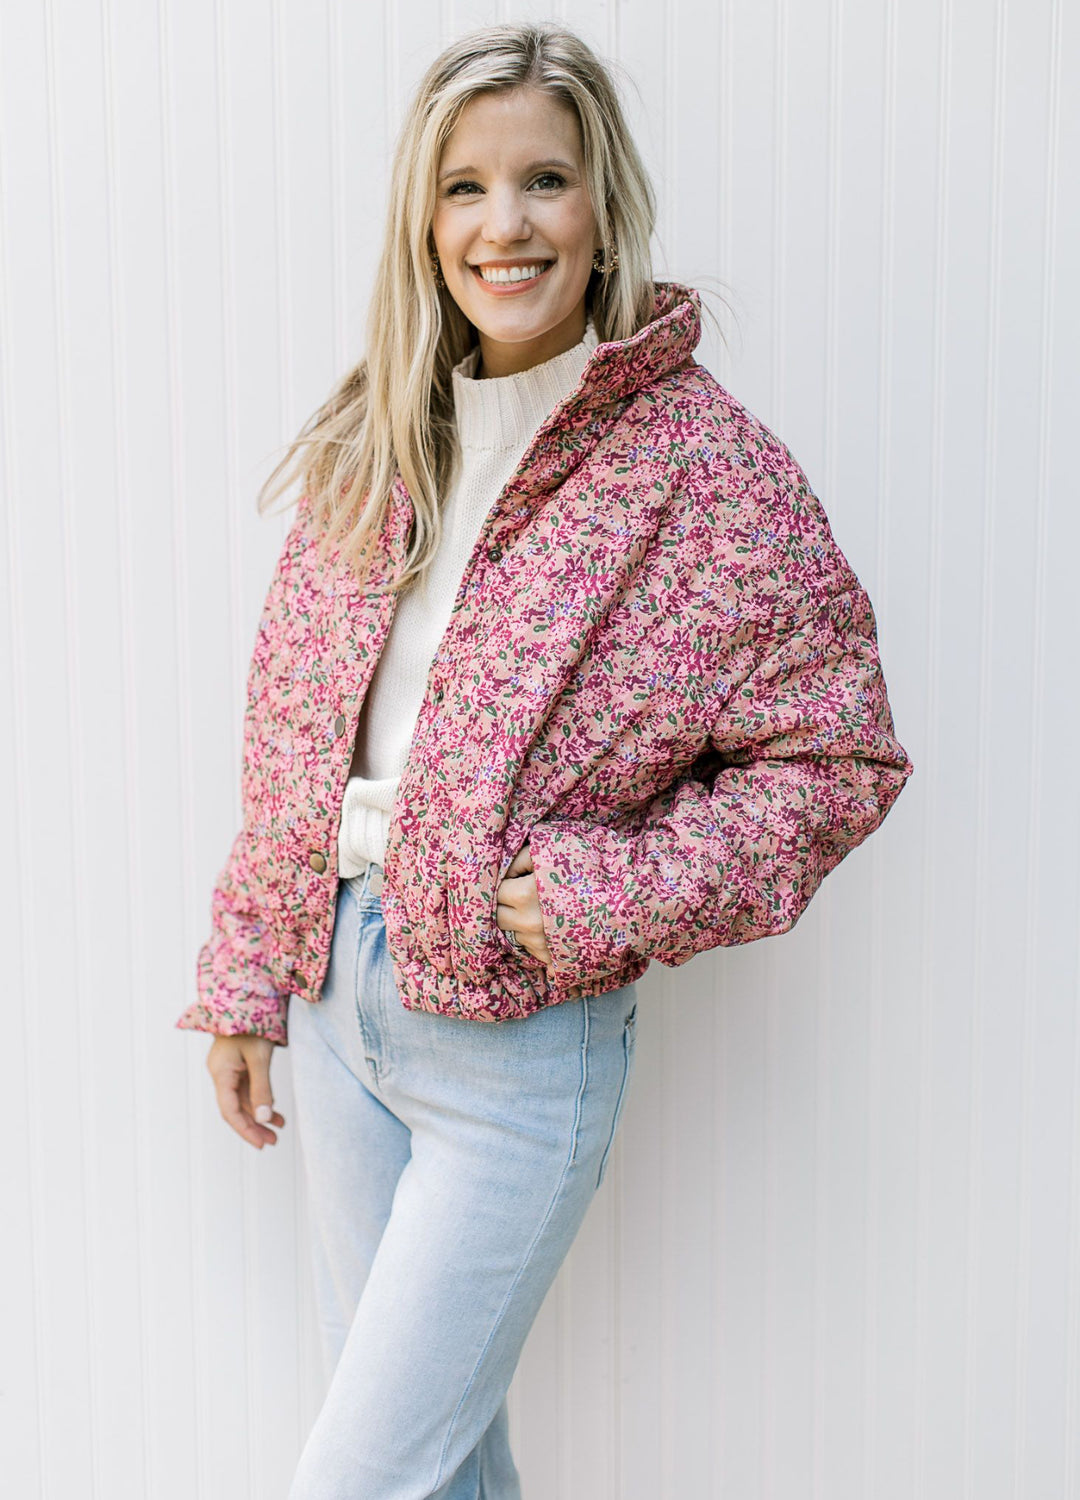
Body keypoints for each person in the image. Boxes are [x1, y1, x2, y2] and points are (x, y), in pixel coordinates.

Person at [175, 20, 913, 1499]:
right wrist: (252, 968)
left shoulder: (700, 469)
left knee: (361, 1478)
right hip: (335, 1005)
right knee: (439, 1466)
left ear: (602, 205)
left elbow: (838, 757)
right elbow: (295, 726)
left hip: (514, 1045)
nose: (502, 225)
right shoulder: (379, 434)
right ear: (423, 219)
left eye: (543, 181)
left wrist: (612, 891)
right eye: (464, 187)